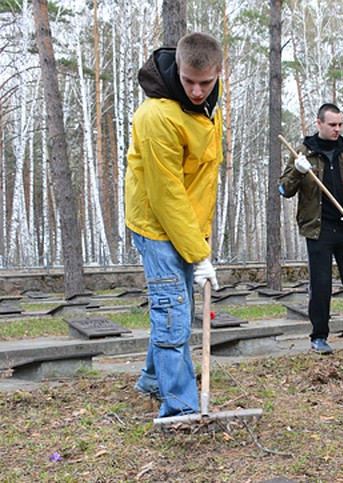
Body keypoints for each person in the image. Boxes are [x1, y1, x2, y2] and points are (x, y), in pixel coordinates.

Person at [124, 32, 223, 417]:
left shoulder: (207, 107)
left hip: (187, 225)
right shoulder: (156, 116)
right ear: (177, 70)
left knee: (175, 305)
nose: (197, 91)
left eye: (206, 82)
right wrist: (200, 255)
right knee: (173, 313)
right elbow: (167, 195)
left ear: (218, 72)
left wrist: (200, 239)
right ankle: (180, 407)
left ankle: (153, 378)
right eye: (188, 82)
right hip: (156, 226)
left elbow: (199, 179)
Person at [279, 103, 343, 354]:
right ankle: (319, 336)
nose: (337, 129)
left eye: (340, 125)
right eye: (332, 125)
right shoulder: (303, 153)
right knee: (321, 283)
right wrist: (296, 170)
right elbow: (284, 189)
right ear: (319, 124)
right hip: (318, 228)